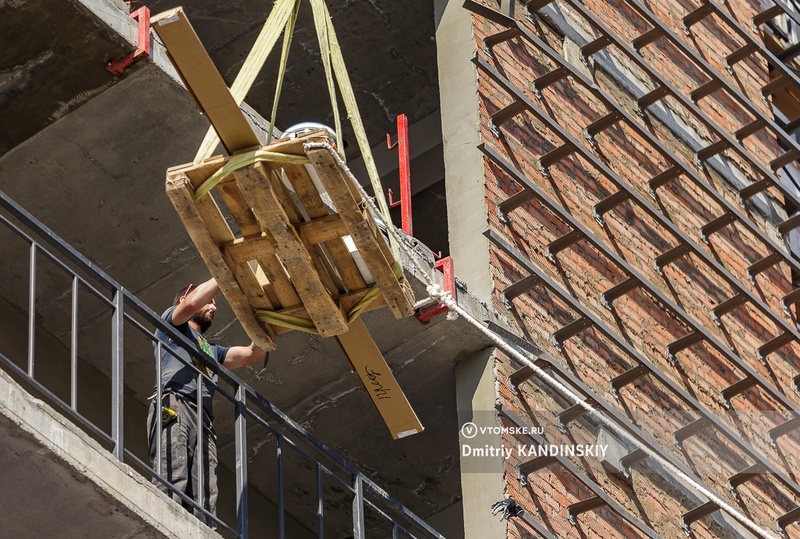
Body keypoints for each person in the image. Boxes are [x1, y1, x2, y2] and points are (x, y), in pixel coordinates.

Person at [147, 277, 267, 522]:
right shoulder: (172, 323)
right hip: (175, 404)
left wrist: (267, 323)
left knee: (204, 489)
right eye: (210, 302)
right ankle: (163, 522)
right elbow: (191, 305)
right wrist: (225, 273)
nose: (213, 307)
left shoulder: (212, 350)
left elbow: (251, 355)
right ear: (185, 296)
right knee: (173, 474)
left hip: (203, 420)